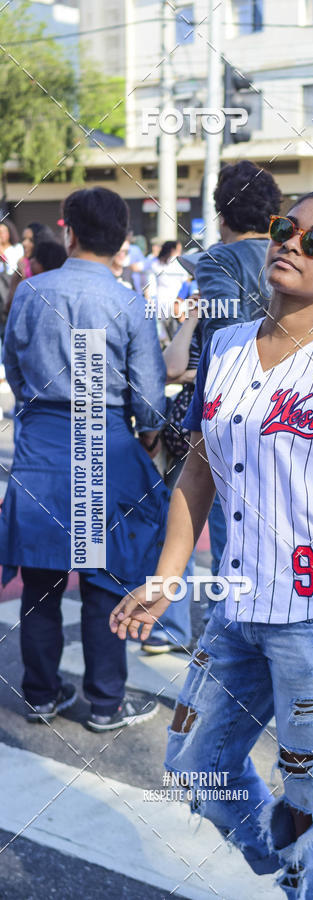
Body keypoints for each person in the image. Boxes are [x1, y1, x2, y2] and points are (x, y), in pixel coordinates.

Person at [110, 188, 313, 899]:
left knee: (310, 801)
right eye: (284, 229)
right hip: (238, 608)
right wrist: (168, 578)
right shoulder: (225, 347)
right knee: (196, 762)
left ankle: (310, 876)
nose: (291, 243)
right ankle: (296, 867)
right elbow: (198, 467)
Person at [0, 187, 170, 732]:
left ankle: (40, 695)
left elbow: (14, 367)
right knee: (105, 582)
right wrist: (144, 438)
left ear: (68, 230)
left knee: (41, 585)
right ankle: (105, 703)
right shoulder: (127, 302)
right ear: (122, 240)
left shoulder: (31, 291)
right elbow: (148, 400)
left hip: (42, 448)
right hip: (106, 446)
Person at [152, 159, 282, 645]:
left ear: (221, 215)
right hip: (293, 406)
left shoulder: (217, 261)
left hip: (234, 412)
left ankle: (227, 645)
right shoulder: (286, 253)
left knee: (230, 531)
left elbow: (223, 339)